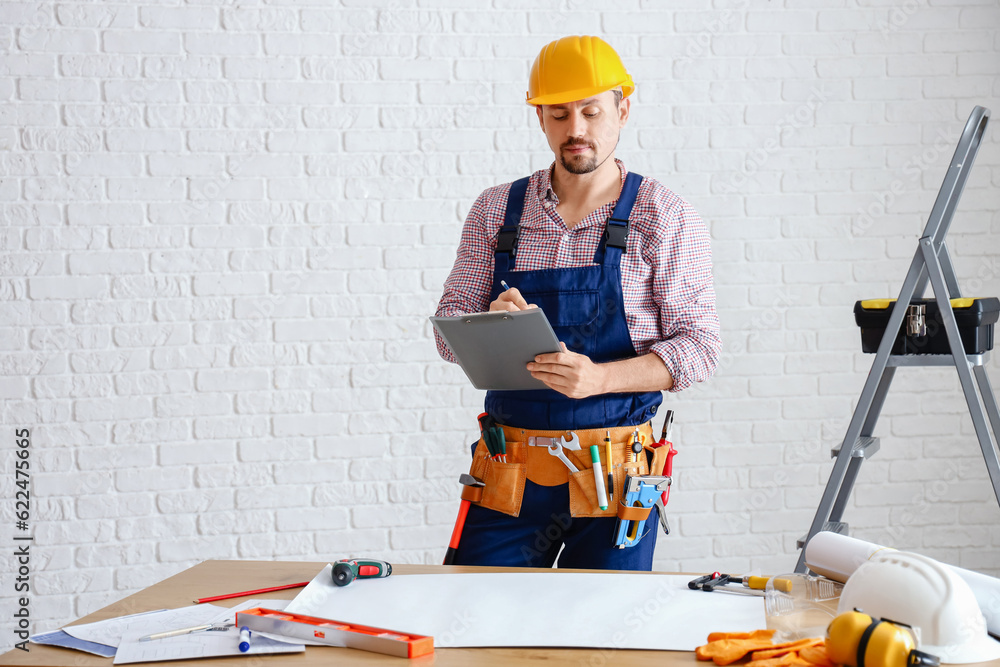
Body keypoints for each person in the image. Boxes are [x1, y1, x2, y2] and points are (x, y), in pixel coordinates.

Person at [433, 35, 721, 571]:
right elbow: (447, 333)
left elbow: (700, 349)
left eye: (591, 111)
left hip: (615, 482)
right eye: (560, 113)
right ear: (540, 116)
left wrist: (600, 379)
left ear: (623, 109)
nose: (577, 130)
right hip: (507, 475)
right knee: (474, 626)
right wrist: (488, 322)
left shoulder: (665, 216)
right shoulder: (496, 210)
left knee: (601, 644)